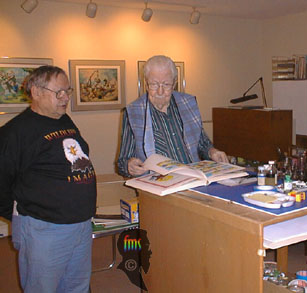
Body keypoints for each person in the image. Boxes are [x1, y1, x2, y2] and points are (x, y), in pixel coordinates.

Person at [0, 65, 97, 292]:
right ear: (36, 92)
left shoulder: (63, 120)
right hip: (44, 229)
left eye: (68, 91)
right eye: (58, 92)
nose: (65, 98)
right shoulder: (15, 132)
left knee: (77, 287)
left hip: (80, 224)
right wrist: (24, 215)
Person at [117, 55, 228, 177]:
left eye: (166, 85)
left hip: (193, 179)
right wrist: (129, 165)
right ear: (146, 84)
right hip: (158, 186)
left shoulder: (188, 104)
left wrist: (212, 152)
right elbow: (122, 162)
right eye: (154, 84)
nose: (160, 91)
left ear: (174, 83)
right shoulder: (133, 112)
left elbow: (202, 143)